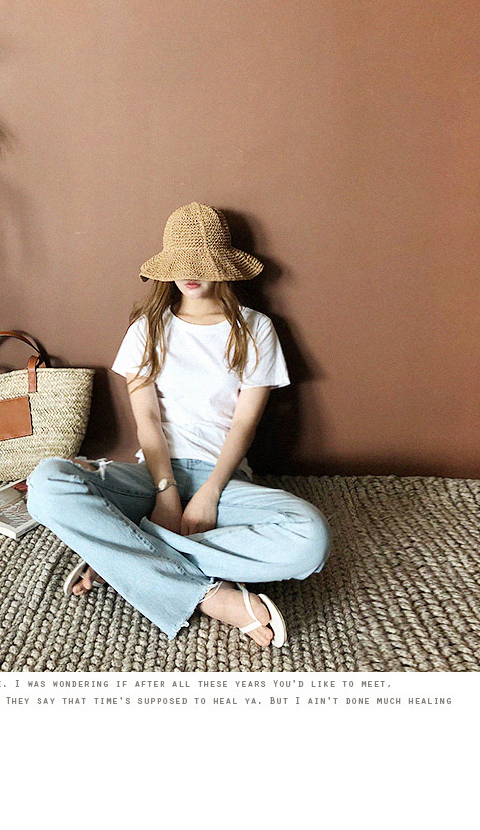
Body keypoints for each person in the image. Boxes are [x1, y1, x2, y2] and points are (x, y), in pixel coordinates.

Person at [26, 202, 332, 648]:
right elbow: (147, 419)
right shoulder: (146, 329)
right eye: (181, 262)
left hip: (223, 481)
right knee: (46, 484)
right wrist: (166, 492)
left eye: (201, 262)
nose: (190, 273)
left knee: (311, 540)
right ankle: (209, 596)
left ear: (222, 267)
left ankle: (126, 554)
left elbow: (244, 425)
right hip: (151, 477)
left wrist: (208, 495)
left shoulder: (256, 328)